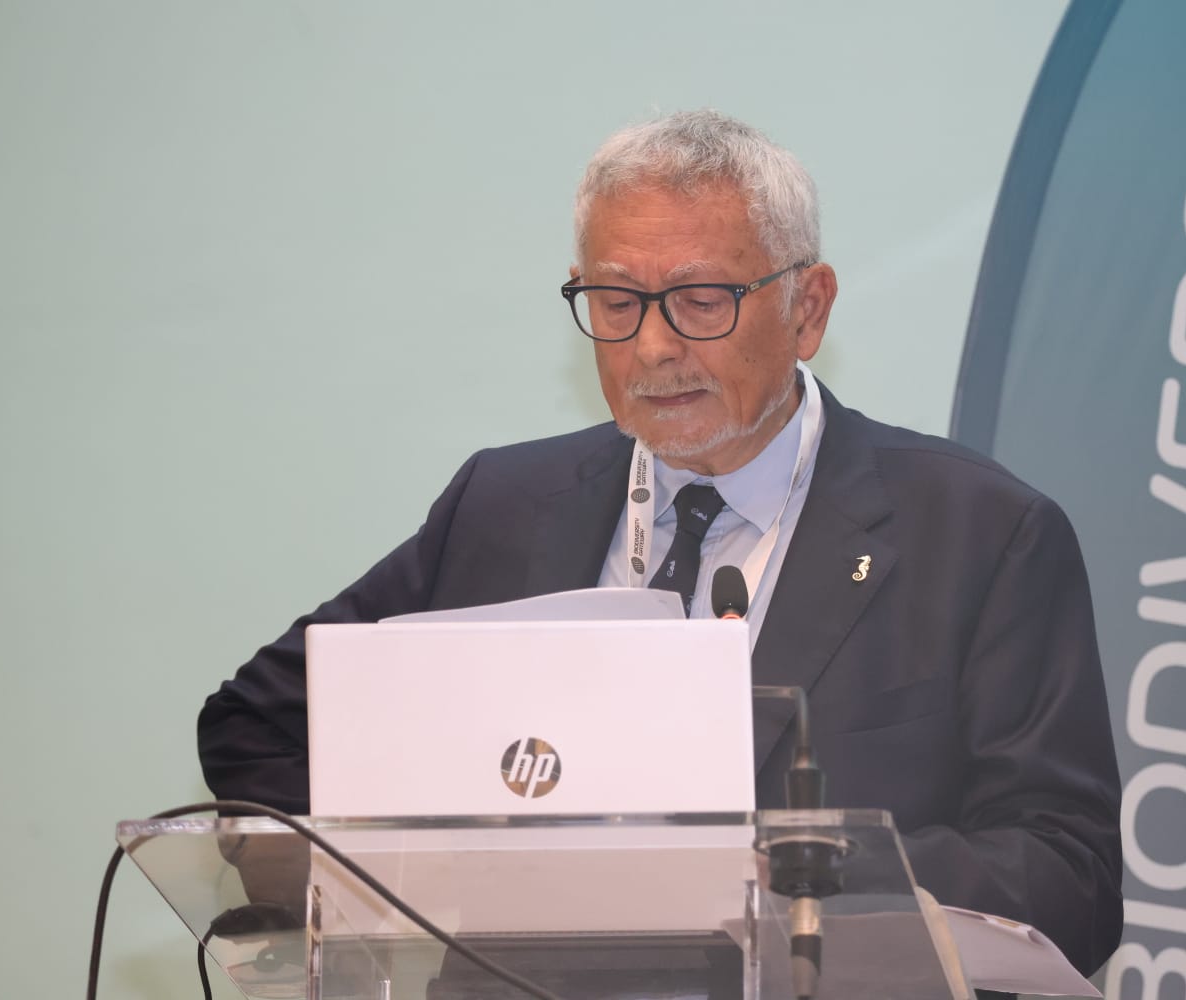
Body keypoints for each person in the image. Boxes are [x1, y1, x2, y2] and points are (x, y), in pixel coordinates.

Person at [198, 109, 1123, 976]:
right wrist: (418, 870)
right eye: (615, 302)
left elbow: (1067, 874)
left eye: (700, 300)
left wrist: (789, 875)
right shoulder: (504, 506)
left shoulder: (979, 535)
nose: (652, 347)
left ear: (808, 309)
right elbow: (257, 727)